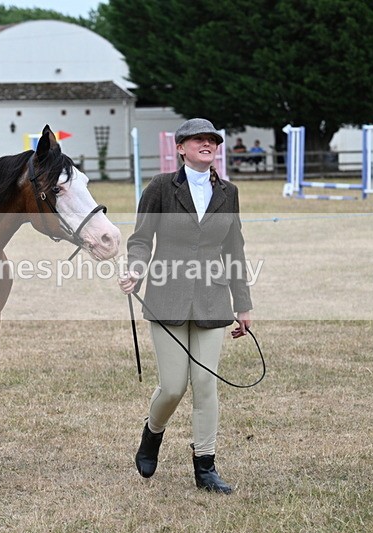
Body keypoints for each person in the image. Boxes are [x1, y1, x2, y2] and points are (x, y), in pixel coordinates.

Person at [118, 118, 253, 494]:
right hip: (167, 296)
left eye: (212, 140)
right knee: (174, 387)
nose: (207, 144)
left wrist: (243, 304)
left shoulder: (228, 191)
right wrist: (135, 270)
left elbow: (234, 248)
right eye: (198, 140)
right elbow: (142, 238)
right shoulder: (161, 187)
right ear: (181, 147)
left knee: (206, 384)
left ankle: (205, 466)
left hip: (212, 299)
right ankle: (152, 432)